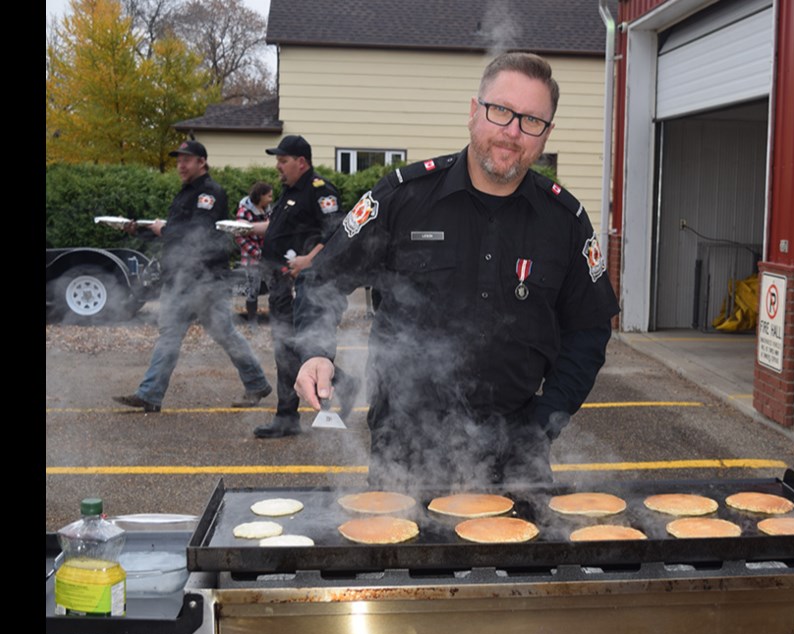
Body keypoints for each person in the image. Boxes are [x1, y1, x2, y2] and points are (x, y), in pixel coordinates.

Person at [293, 52, 620, 486]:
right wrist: (316, 351)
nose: (512, 132)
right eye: (500, 111)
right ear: (473, 111)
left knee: (521, 554)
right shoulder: (401, 199)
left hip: (517, 454)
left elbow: (589, 331)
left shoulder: (566, 221)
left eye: (531, 121)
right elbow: (323, 279)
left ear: (546, 134)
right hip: (405, 451)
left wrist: (544, 421)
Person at [113, 140, 273, 413]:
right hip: (183, 277)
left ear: (202, 162)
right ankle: (151, 393)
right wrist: (137, 229)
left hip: (204, 278)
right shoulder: (186, 193)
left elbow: (197, 233)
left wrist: (161, 229)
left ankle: (151, 394)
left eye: (186, 160)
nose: (180, 165)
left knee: (204, 334)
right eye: (178, 160)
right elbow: (173, 234)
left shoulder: (210, 193)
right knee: (191, 334)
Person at [253, 135, 354, 438]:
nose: (278, 167)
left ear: (301, 162)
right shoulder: (289, 192)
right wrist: (249, 229)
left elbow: (338, 233)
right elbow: (282, 230)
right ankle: (287, 415)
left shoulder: (319, 191)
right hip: (281, 284)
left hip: (306, 288)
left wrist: (308, 260)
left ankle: (329, 390)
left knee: (297, 348)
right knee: (284, 348)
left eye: (283, 160)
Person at [235, 181, 273, 327]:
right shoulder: (244, 212)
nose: (271, 199)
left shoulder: (267, 210)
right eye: (268, 196)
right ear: (261, 196)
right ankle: (252, 321)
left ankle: (276, 318)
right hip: (252, 257)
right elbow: (239, 236)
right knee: (253, 289)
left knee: (273, 287)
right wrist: (256, 252)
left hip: (268, 256)